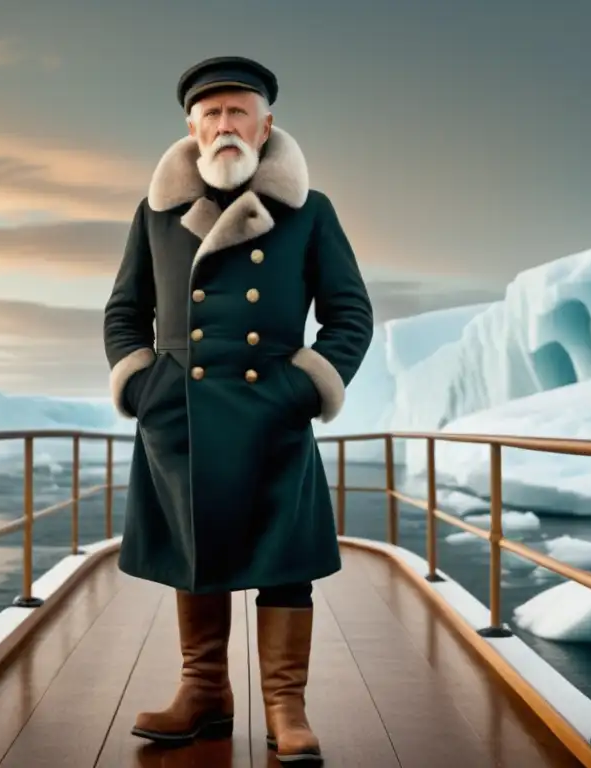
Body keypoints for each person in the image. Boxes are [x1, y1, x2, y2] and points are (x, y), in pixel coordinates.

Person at [103, 55, 373, 764]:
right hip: (182, 416)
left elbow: (350, 314)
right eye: (212, 113)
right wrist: (142, 385)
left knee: (285, 562)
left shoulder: (310, 210)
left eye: (238, 111)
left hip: (274, 413)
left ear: (266, 123)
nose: (225, 124)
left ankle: (286, 706)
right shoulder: (155, 212)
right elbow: (124, 312)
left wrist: (303, 386)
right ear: (192, 126)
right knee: (196, 552)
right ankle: (204, 691)